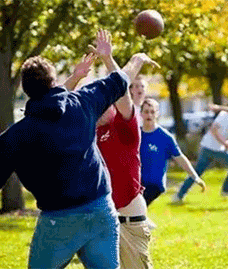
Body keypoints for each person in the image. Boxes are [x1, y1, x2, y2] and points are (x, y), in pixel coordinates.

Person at [0, 30, 156, 269]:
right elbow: (120, 81)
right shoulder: (83, 104)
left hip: (59, 220)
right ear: (53, 82)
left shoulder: (15, 137)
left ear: (26, 90)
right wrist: (136, 59)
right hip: (100, 210)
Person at [89, 32, 159, 269]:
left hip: (129, 221)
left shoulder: (124, 126)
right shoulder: (89, 132)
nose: (103, 104)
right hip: (100, 222)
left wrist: (109, 60)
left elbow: (120, 91)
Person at [172, 95, 228, 203]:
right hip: (213, 149)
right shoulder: (225, 114)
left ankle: (178, 196)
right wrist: (225, 143)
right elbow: (214, 129)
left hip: (208, 147)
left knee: (196, 173)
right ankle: (227, 189)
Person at [140, 98, 206, 206]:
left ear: (157, 114)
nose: (149, 115)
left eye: (152, 112)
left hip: (154, 185)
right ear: (141, 113)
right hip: (137, 183)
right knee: (132, 214)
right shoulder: (137, 134)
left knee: (135, 212)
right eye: (146, 112)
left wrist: (195, 177)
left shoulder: (165, 137)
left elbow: (180, 158)